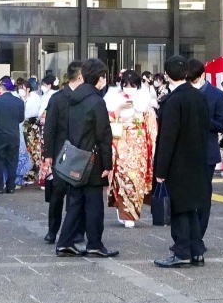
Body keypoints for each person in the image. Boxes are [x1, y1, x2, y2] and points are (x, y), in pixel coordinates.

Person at [55, 58, 117, 258]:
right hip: (93, 158)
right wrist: (107, 164)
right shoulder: (97, 101)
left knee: (75, 202)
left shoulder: (73, 99)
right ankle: (95, 243)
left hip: (75, 157)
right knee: (94, 204)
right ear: (100, 78)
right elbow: (103, 135)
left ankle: (65, 241)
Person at [153, 56, 210, 268]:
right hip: (198, 159)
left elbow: (167, 138)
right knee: (192, 207)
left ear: (167, 75)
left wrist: (161, 169)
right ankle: (197, 250)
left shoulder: (173, 101)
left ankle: (182, 251)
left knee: (179, 209)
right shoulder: (199, 97)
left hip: (178, 163)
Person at [105, 70, 158, 227]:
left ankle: (130, 212)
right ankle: (124, 211)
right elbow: (105, 121)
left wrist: (152, 147)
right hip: (120, 144)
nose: (129, 88)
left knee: (137, 180)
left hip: (139, 146)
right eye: (125, 85)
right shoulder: (112, 99)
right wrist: (118, 111)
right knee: (122, 178)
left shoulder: (145, 101)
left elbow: (152, 128)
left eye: (132, 85)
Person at [43, 61, 84, 244]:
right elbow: (49, 128)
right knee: (58, 193)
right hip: (61, 152)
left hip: (81, 151)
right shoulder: (58, 98)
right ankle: (53, 230)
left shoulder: (86, 97)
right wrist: (48, 154)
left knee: (77, 195)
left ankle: (75, 231)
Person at [189, 60, 223, 237]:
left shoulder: (217, 95)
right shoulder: (182, 92)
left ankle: (199, 235)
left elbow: (222, 123)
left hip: (206, 151)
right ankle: (187, 233)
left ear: (202, 75)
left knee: (203, 194)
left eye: (194, 80)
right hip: (185, 153)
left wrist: (203, 119)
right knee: (186, 194)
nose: (191, 83)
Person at [0, 77, 25, 194]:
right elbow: (21, 118)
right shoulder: (19, 101)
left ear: (1, 86)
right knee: (13, 161)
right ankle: (11, 186)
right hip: (14, 135)